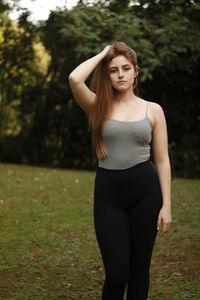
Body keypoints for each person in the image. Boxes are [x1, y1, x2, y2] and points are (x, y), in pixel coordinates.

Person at [69, 41, 172, 300]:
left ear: (136, 71)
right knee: (117, 273)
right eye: (114, 70)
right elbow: (74, 78)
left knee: (139, 269)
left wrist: (167, 205)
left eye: (126, 68)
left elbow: (162, 160)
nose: (120, 74)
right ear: (108, 74)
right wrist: (105, 53)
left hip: (146, 193)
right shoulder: (98, 106)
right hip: (109, 194)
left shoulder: (153, 110)